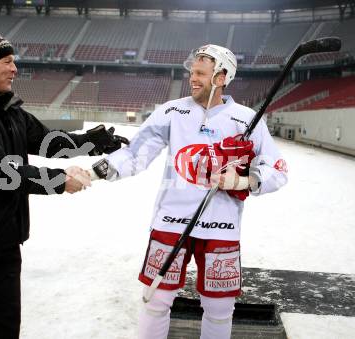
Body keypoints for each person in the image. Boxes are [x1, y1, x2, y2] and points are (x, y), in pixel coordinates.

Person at [0, 29, 128, 339]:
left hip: (3, 239)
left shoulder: (7, 108)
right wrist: (59, 181)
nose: (14, 69)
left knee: (5, 328)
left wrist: (92, 142)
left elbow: (47, 141)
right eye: (6, 61)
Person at [89, 44, 288, 338]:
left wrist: (247, 181)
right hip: (171, 222)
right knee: (156, 300)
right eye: (192, 72)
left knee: (220, 308)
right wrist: (95, 172)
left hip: (221, 227)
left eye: (200, 73)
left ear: (221, 77)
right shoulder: (171, 111)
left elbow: (278, 169)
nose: (192, 78)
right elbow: (135, 154)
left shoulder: (247, 119)